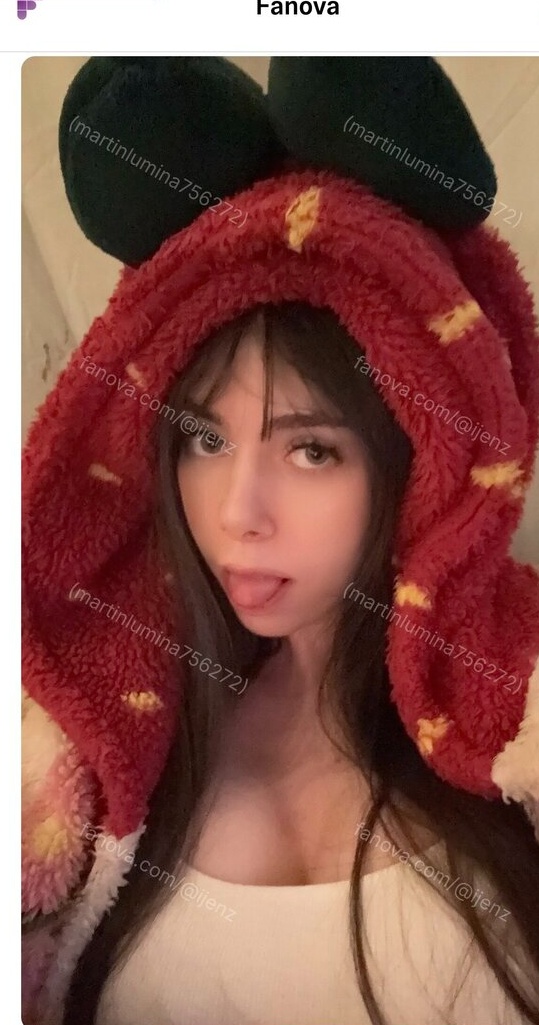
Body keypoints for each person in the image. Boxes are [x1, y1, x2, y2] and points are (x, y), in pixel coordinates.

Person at [22, 57, 539, 1025]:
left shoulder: (519, 702)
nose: (236, 511)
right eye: (203, 439)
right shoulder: (73, 738)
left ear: (418, 465)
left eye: (309, 449)